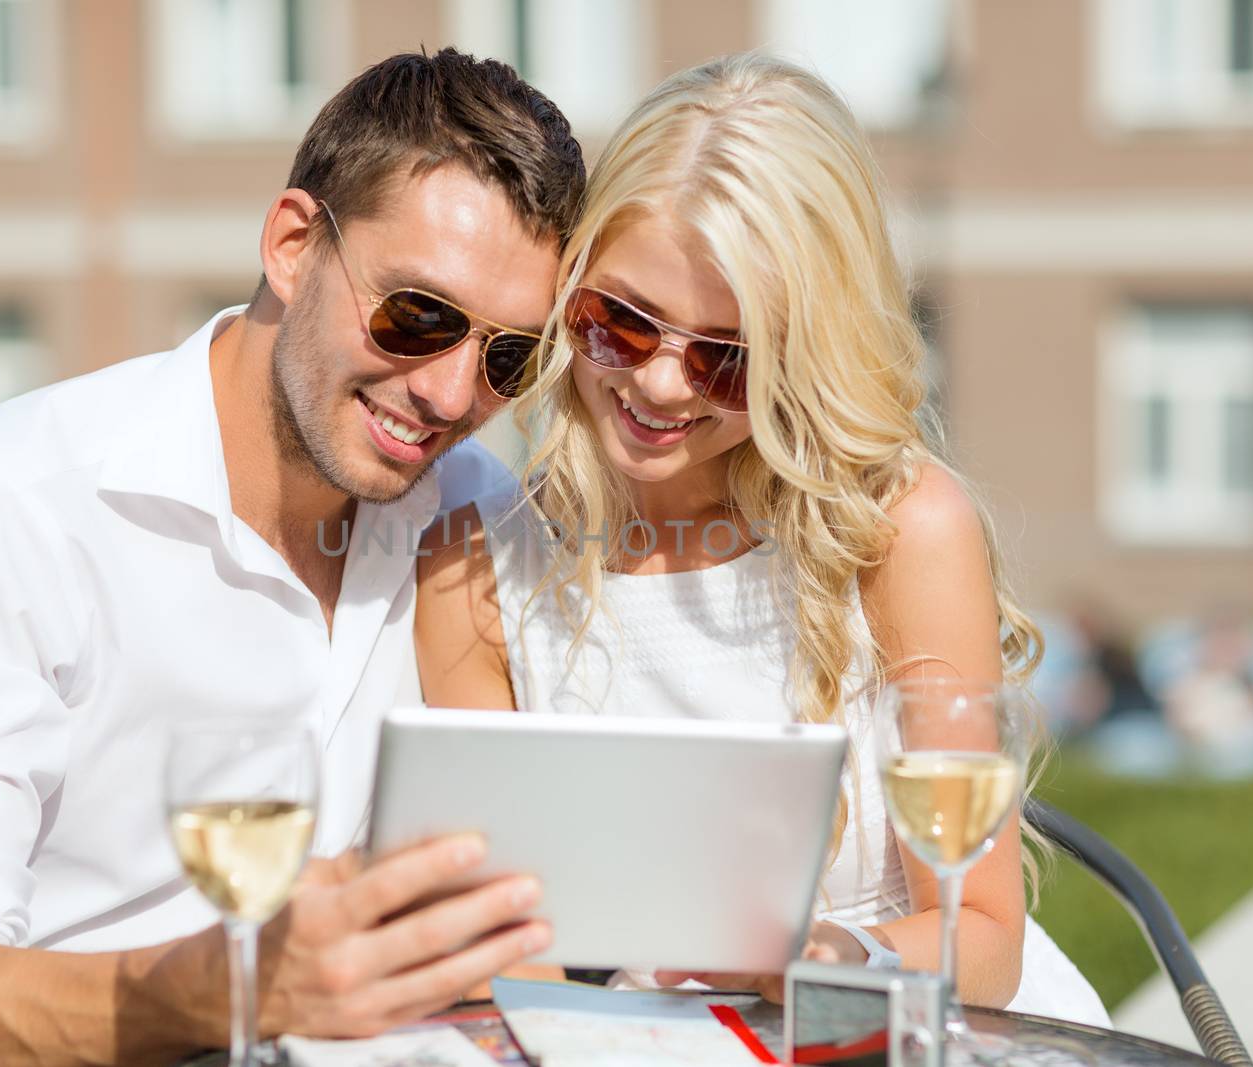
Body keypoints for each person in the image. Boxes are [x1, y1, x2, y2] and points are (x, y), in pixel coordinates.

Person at [0, 49, 584, 1066]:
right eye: (417, 316)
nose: (450, 395)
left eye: (506, 358)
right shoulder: (10, 509)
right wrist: (232, 987)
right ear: (293, 244)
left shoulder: (478, 513)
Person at [416, 53, 1109, 1025]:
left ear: (807, 352)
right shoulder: (475, 568)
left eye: (726, 357)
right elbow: (483, 959)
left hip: (901, 1030)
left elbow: (983, 935)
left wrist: (831, 958)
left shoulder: (899, 529)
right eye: (619, 322)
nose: (659, 384)